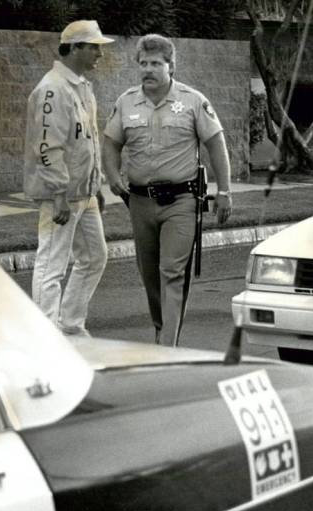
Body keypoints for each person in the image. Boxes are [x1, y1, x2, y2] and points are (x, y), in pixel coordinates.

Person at [103, 34, 232, 347]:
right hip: (139, 201)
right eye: (143, 63)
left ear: (170, 66)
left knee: (171, 272)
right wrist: (111, 175)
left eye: (155, 63)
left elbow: (216, 144)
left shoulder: (192, 101)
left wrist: (224, 191)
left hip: (181, 202)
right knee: (149, 274)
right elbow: (110, 143)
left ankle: (167, 345)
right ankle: (161, 326)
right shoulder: (126, 102)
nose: (148, 69)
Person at [24, 20, 113, 337]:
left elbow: (86, 140)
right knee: (51, 263)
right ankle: (44, 334)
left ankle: (70, 325)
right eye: (94, 47)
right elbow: (47, 146)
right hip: (60, 195)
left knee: (94, 257)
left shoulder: (81, 86)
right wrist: (58, 192)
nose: (99, 55)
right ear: (74, 48)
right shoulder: (52, 89)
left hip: (84, 193)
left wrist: (96, 184)